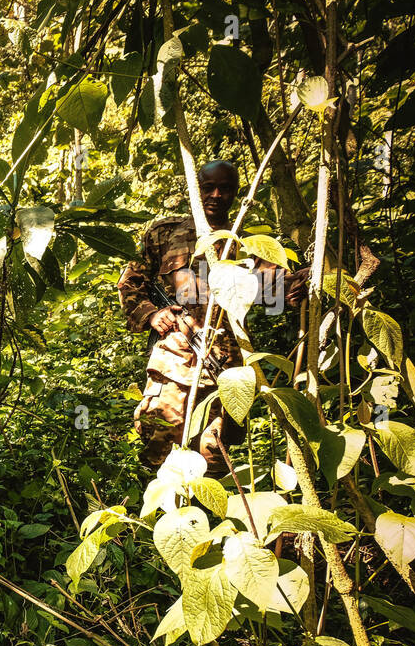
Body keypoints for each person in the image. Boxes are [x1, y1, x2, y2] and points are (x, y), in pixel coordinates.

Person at [117, 160, 303, 472]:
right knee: (162, 440)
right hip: (176, 359)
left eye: (225, 188)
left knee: (213, 449)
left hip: (226, 365)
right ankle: (162, 513)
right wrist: (151, 314)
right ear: (195, 189)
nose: (216, 195)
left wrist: (303, 282)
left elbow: (278, 288)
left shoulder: (247, 245)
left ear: (236, 194)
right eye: (208, 188)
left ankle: (212, 515)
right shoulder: (165, 234)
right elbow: (130, 283)